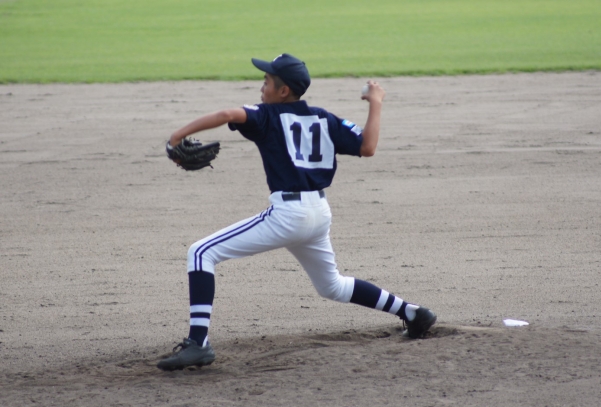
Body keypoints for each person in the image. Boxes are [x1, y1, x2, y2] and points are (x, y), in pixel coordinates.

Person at [157, 53, 436, 371]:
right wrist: (376, 102)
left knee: (200, 252)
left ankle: (198, 343)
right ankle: (413, 313)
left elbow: (226, 113)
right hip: (318, 213)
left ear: (283, 91)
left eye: (266, 81)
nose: (261, 87)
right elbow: (368, 147)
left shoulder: (267, 116)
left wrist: (176, 137)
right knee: (332, 286)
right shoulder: (324, 118)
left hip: (289, 216)